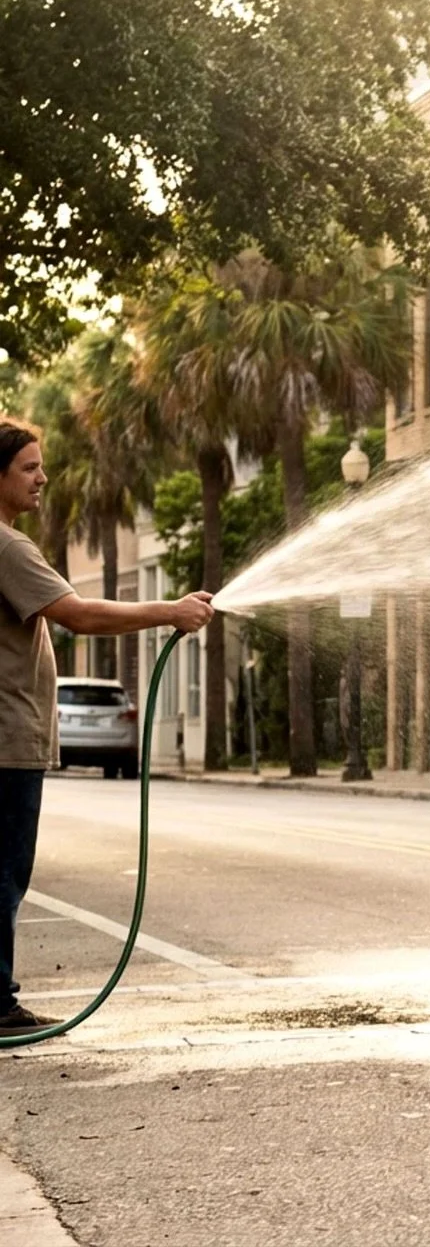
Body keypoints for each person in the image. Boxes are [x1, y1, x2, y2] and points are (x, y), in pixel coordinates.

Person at [0, 421, 214, 1037]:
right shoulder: (8, 548)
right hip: (7, 741)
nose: (43, 478)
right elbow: (81, 614)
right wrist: (168, 611)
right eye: (29, 468)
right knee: (4, 874)